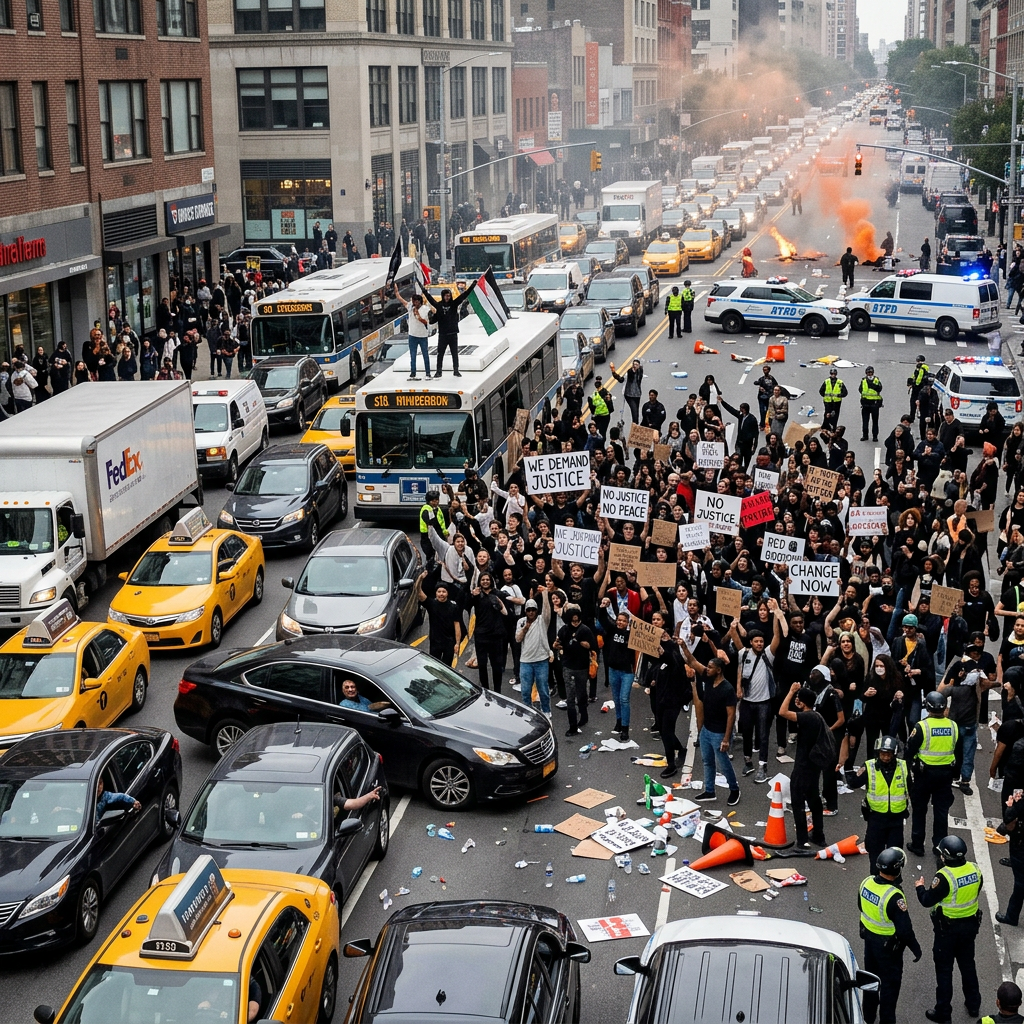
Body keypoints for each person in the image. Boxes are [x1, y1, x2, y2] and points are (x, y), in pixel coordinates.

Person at [914, 834, 982, 1022]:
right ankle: (973, 1005)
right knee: (968, 966)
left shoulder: (944, 876)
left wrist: (919, 887)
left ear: (945, 856)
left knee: (944, 972)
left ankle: (944, 1012)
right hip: (970, 928)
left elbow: (927, 900)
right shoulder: (975, 870)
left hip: (948, 931)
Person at [859, 847, 923, 1024]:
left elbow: (861, 907)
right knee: (889, 987)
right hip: (889, 949)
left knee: (870, 981)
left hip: (870, 943)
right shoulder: (894, 896)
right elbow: (905, 930)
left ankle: (868, 1017)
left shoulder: (866, 882)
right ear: (898, 869)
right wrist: (916, 949)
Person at [682, 639, 739, 802]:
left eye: (711, 667)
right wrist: (683, 646)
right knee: (707, 761)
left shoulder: (728, 689)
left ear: (719, 670)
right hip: (706, 730)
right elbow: (692, 662)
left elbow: (731, 715)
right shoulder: (708, 678)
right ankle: (709, 791)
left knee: (723, 763)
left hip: (719, 733)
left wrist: (726, 739)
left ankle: (734, 789)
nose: (707, 669)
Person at [906, 690, 959, 856]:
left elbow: (909, 750)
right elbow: (959, 751)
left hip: (924, 775)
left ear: (927, 707)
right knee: (941, 812)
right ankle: (940, 845)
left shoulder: (922, 726)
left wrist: (908, 771)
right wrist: (956, 774)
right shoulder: (953, 726)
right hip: (945, 775)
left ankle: (917, 844)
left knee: (920, 810)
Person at [848, 735, 910, 871]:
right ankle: (875, 881)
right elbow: (854, 783)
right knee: (875, 855)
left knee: (895, 855)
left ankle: (894, 882)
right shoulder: (869, 766)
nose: (886, 757)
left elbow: (913, 787)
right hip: (876, 819)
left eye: (889, 754)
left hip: (896, 820)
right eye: (883, 754)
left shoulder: (904, 767)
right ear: (878, 753)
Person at [779, 682, 828, 847]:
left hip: (803, 766)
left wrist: (791, 691)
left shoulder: (807, 717)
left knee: (798, 801)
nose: (796, 701)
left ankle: (802, 840)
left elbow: (782, 712)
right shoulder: (817, 716)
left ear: (804, 702)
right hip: (814, 766)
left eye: (799, 699)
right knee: (814, 800)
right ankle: (818, 835)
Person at [554, 604, 595, 737]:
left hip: (582, 667)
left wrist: (586, 645)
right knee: (570, 697)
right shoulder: (564, 630)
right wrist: (556, 645)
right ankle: (572, 726)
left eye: (578, 621)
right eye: (573, 621)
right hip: (568, 666)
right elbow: (557, 643)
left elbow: (592, 646)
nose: (576, 623)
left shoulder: (585, 630)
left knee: (582, 693)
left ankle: (584, 715)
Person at [422, 282, 477, 377]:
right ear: (442, 296)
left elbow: (464, 295)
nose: (447, 297)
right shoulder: (438, 305)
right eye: (445, 296)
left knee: (454, 353)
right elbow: (430, 299)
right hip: (443, 334)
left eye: (449, 296)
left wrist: (473, 285)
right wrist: (423, 290)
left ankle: (456, 370)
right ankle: (439, 371)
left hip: (453, 333)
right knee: (440, 353)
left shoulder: (454, 304)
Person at [517, 590, 552, 716]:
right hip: (525, 661)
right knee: (525, 690)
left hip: (541, 660)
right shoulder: (520, 622)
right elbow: (518, 639)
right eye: (528, 610)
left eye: (533, 609)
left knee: (543, 688)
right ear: (525, 611)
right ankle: (527, 711)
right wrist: (525, 628)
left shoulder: (542, 620)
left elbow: (547, 611)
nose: (531, 612)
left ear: (537, 610)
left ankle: (546, 710)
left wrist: (545, 595)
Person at [416, 574, 462, 666]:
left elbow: (457, 625)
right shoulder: (431, 604)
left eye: (444, 591)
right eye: (439, 591)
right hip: (435, 642)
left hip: (449, 643)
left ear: (447, 593)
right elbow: (418, 592)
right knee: (435, 667)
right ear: (436, 593)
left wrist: (457, 643)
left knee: (447, 668)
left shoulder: (453, 607)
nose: (441, 594)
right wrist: (420, 579)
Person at [395, 285, 431, 379]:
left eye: (416, 301)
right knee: (413, 355)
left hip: (422, 336)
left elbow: (425, 321)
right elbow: (401, 299)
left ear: (420, 301)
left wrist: (417, 314)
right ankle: (413, 373)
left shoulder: (425, 309)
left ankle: (428, 373)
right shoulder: (410, 307)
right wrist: (396, 292)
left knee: (425, 355)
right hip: (412, 336)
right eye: (413, 301)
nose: (414, 303)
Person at [610, 359, 644, 423]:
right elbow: (621, 380)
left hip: (637, 395)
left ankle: (635, 425)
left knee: (636, 412)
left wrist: (637, 369)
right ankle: (635, 425)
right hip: (629, 395)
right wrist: (614, 373)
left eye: (637, 365)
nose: (635, 366)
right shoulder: (629, 372)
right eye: (634, 364)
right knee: (634, 412)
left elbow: (640, 373)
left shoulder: (640, 372)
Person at [418, 491, 446, 569]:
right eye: (433, 500)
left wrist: (444, 532)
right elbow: (431, 522)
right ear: (429, 501)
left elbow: (441, 521)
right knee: (430, 556)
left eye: (437, 500)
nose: (436, 502)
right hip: (428, 536)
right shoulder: (427, 509)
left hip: (437, 535)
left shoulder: (437, 509)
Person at [860, 365, 884, 443]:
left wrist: (873, 386)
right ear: (866, 373)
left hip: (874, 404)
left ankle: (875, 436)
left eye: (871, 372)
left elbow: (880, 388)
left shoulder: (876, 380)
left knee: (875, 421)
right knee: (865, 421)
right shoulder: (863, 380)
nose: (870, 374)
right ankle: (865, 435)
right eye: (868, 372)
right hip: (866, 404)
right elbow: (860, 389)